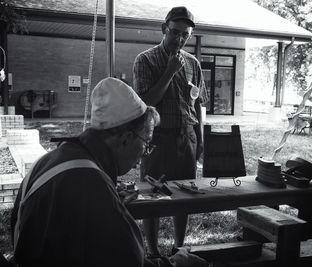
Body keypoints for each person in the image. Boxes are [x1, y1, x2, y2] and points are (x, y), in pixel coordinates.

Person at [9, 77, 208, 267]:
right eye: (146, 143)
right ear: (125, 138)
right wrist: (176, 263)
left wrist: (109, 202)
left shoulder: (46, 162)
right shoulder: (93, 186)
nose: (144, 154)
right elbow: (128, 262)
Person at [132, 6, 208, 256]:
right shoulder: (145, 60)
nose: (180, 38)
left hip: (187, 136)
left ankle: (178, 248)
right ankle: (153, 252)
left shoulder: (194, 63)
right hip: (157, 137)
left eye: (185, 34)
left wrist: (201, 140)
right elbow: (145, 104)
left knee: (184, 195)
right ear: (164, 29)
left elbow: (198, 103)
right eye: (175, 32)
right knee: (152, 196)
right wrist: (169, 72)